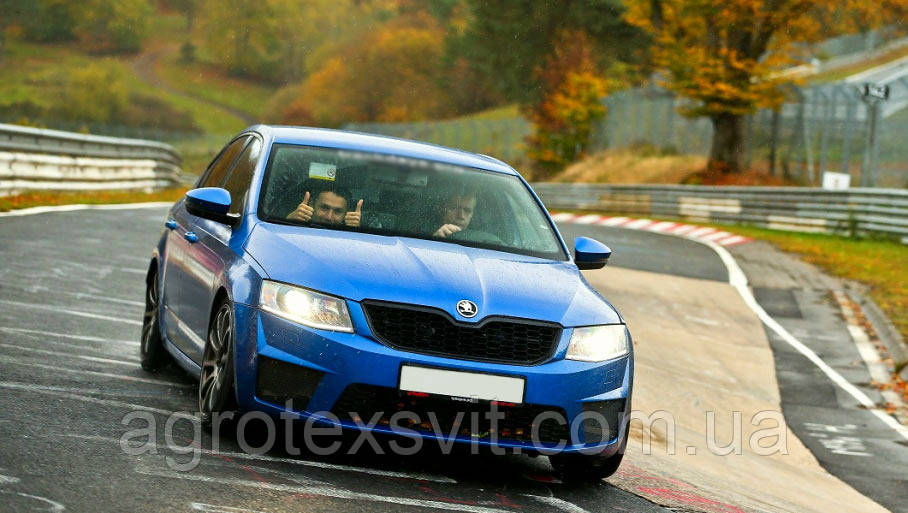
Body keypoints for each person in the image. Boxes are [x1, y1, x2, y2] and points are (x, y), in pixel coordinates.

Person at [287, 187, 363, 227]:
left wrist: (355, 229)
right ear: (311, 204)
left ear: (346, 214)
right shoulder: (296, 226)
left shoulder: (348, 237)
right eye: (324, 208)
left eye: (337, 211)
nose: (329, 217)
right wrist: (290, 221)